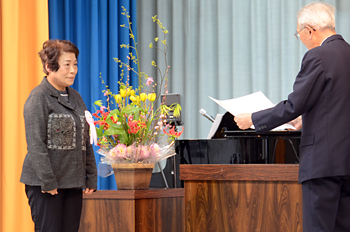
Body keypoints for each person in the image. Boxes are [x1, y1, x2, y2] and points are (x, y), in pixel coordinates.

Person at [234, 2, 350, 232]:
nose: (302, 41)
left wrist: (253, 119)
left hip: (322, 164)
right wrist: (306, 119)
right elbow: (337, 104)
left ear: (309, 29)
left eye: (299, 35)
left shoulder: (318, 56)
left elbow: (295, 103)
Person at [20, 39, 97, 232]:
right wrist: (48, 181)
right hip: (45, 185)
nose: (73, 70)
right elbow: (36, 144)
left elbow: (85, 140)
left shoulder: (76, 98)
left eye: (75, 64)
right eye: (67, 65)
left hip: (73, 183)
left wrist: (92, 176)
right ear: (49, 67)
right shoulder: (38, 97)